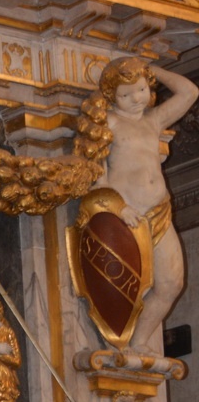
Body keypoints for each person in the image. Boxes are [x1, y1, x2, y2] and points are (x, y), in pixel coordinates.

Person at [76, 59, 199, 353]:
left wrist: (153, 71)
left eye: (141, 90)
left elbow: (190, 92)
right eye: (126, 94)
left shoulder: (152, 121)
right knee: (126, 285)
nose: (136, 99)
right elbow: (96, 176)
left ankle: (140, 341)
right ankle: (124, 344)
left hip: (159, 213)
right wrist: (118, 208)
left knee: (171, 283)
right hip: (124, 218)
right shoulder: (108, 124)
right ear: (111, 96)